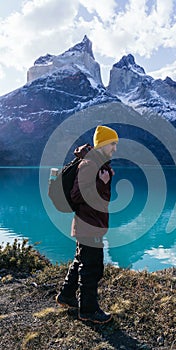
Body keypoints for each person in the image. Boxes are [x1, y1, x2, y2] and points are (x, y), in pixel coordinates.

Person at [56, 125, 118, 324]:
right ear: (104, 144)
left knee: (81, 261)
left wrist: (105, 180)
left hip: (90, 224)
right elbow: (77, 195)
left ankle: (66, 295)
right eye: (113, 144)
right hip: (88, 225)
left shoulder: (98, 164)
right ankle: (88, 310)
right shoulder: (90, 164)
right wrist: (101, 182)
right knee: (92, 268)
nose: (115, 149)